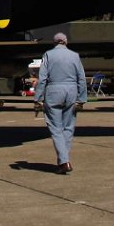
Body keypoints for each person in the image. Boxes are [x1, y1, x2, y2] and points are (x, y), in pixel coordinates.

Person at [33, 31, 87, 174]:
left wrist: (37, 98)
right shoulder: (75, 56)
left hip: (54, 92)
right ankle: (64, 160)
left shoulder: (48, 55)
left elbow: (42, 78)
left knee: (56, 128)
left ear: (54, 42)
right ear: (66, 42)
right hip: (71, 92)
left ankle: (64, 161)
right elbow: (81, 78)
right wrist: (82, 99)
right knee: (68, 127)